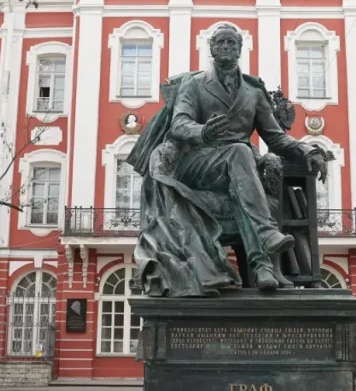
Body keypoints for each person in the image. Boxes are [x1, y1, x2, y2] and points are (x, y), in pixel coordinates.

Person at [127, 24, 328, 296]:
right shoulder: (194, 84)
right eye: (219, 42)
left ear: (239, 49)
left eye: (231, 42)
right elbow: (179, 124)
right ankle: (267, 235)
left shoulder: (253, 90)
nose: (225, 46)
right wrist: (202, 132)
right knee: (241, 153)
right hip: (198, 162)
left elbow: (276, 137)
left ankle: (261, 267)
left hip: (237, 168)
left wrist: (308, 151)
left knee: (240, 168)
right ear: (211, 48)